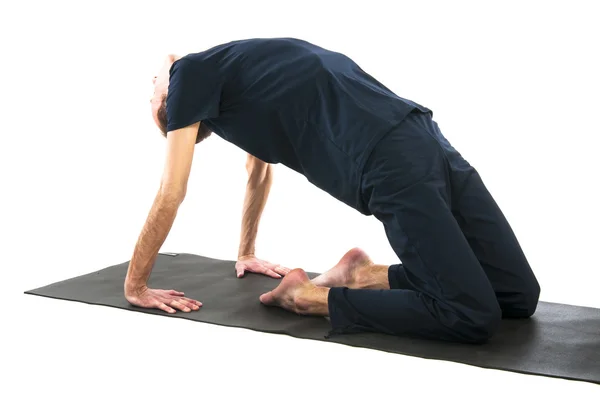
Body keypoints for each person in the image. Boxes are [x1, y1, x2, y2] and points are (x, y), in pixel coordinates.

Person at [124, 37, 540, 343]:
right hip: (404, 149)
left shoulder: (190, 74)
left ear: (165, 89)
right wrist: (246, 252)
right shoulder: (234, 82)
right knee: (488, 307)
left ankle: (327, 288)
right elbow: (258, 172)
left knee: (502, 301)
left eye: (153, 98)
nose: (155, 101)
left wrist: (136, 286)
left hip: (414, 142)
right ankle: (337, 285)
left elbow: (170, 189)